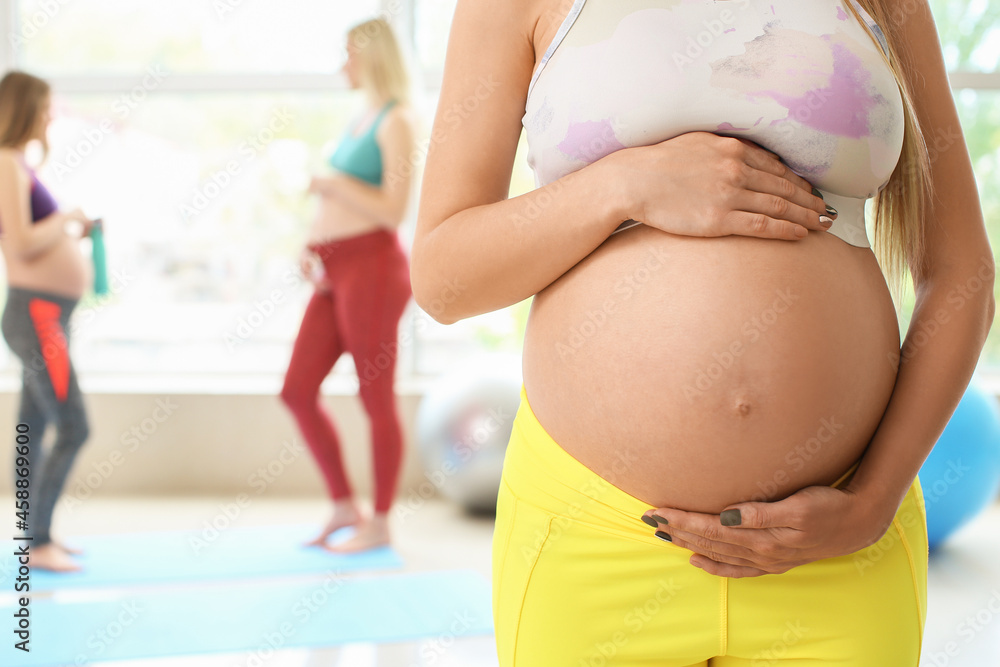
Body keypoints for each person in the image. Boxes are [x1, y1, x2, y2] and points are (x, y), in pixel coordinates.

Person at [412, 0, 994, 664]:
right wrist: (627, 184)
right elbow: (444, 276)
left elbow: (961, 273)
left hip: (836, 542)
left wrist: (874, 500)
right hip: (593, 536)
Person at [280, 18, 416, 553]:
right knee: (296, 390)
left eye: (349, 54)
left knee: (375, 396)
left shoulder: (397, 121)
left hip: (373, 269)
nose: (342, 65)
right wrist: (312, 245)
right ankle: (343, 505)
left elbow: (394, 210)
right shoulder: (360, 117)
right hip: (333, 271)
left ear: (372, 56)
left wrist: (333, 183)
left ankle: (380, 523)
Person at [0, 71, 96, 573]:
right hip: (36, 314)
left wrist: (69, 233)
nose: (50, 116)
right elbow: (20, 244)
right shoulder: (6, 164)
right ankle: (37, 541)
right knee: (75, 427)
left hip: (44, 312)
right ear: (23, 109)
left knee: (31, 428)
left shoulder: (17, 166)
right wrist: (67, 219)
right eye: (44, 107)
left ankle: (33, 534)